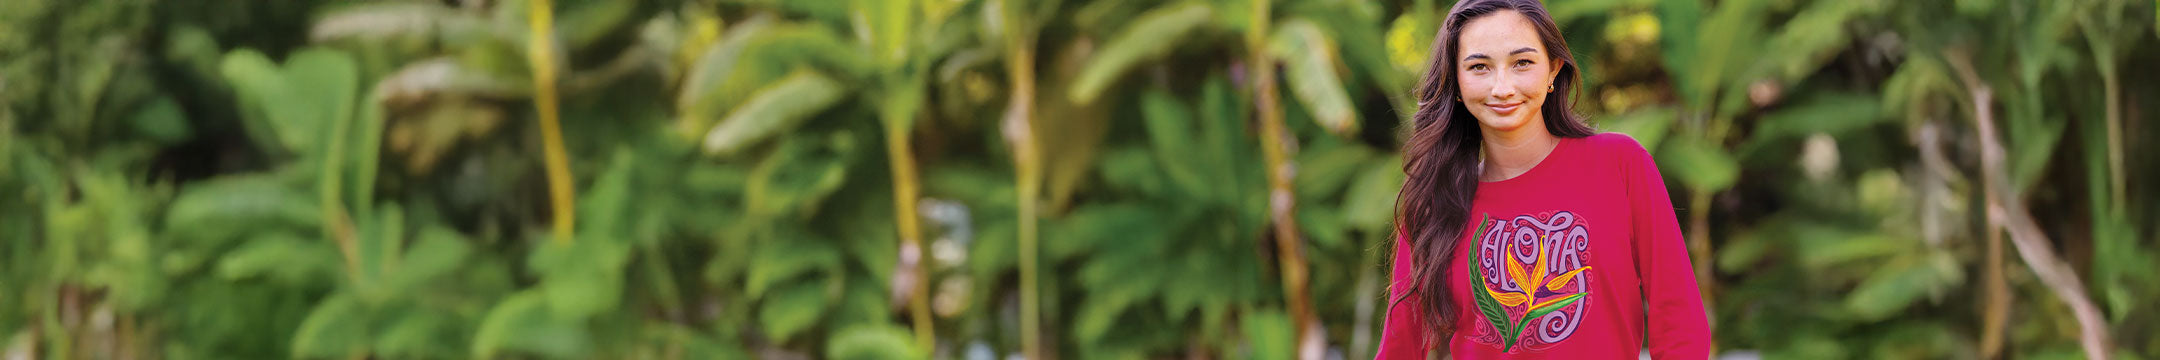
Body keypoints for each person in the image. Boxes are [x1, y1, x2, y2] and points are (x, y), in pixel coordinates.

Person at [1374, 0, 1712, 358]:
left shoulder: (1619, 164)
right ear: (1456, 82)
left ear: (1553, 69)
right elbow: (1400, 348)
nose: (1502, 87)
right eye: (1479, 67)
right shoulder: (1434, 203)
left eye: (1522, 63)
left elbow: (1680, 322)